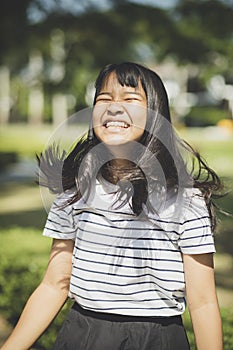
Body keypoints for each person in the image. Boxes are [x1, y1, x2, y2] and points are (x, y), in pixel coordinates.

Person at [1, 62, 223, 350]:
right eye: (104, 99)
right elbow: (54, 285)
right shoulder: (74, 194)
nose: (114, 107)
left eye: (130, 99)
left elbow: (203, 302)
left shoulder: (187, 202)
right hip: (82, 335)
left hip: (157, 339)